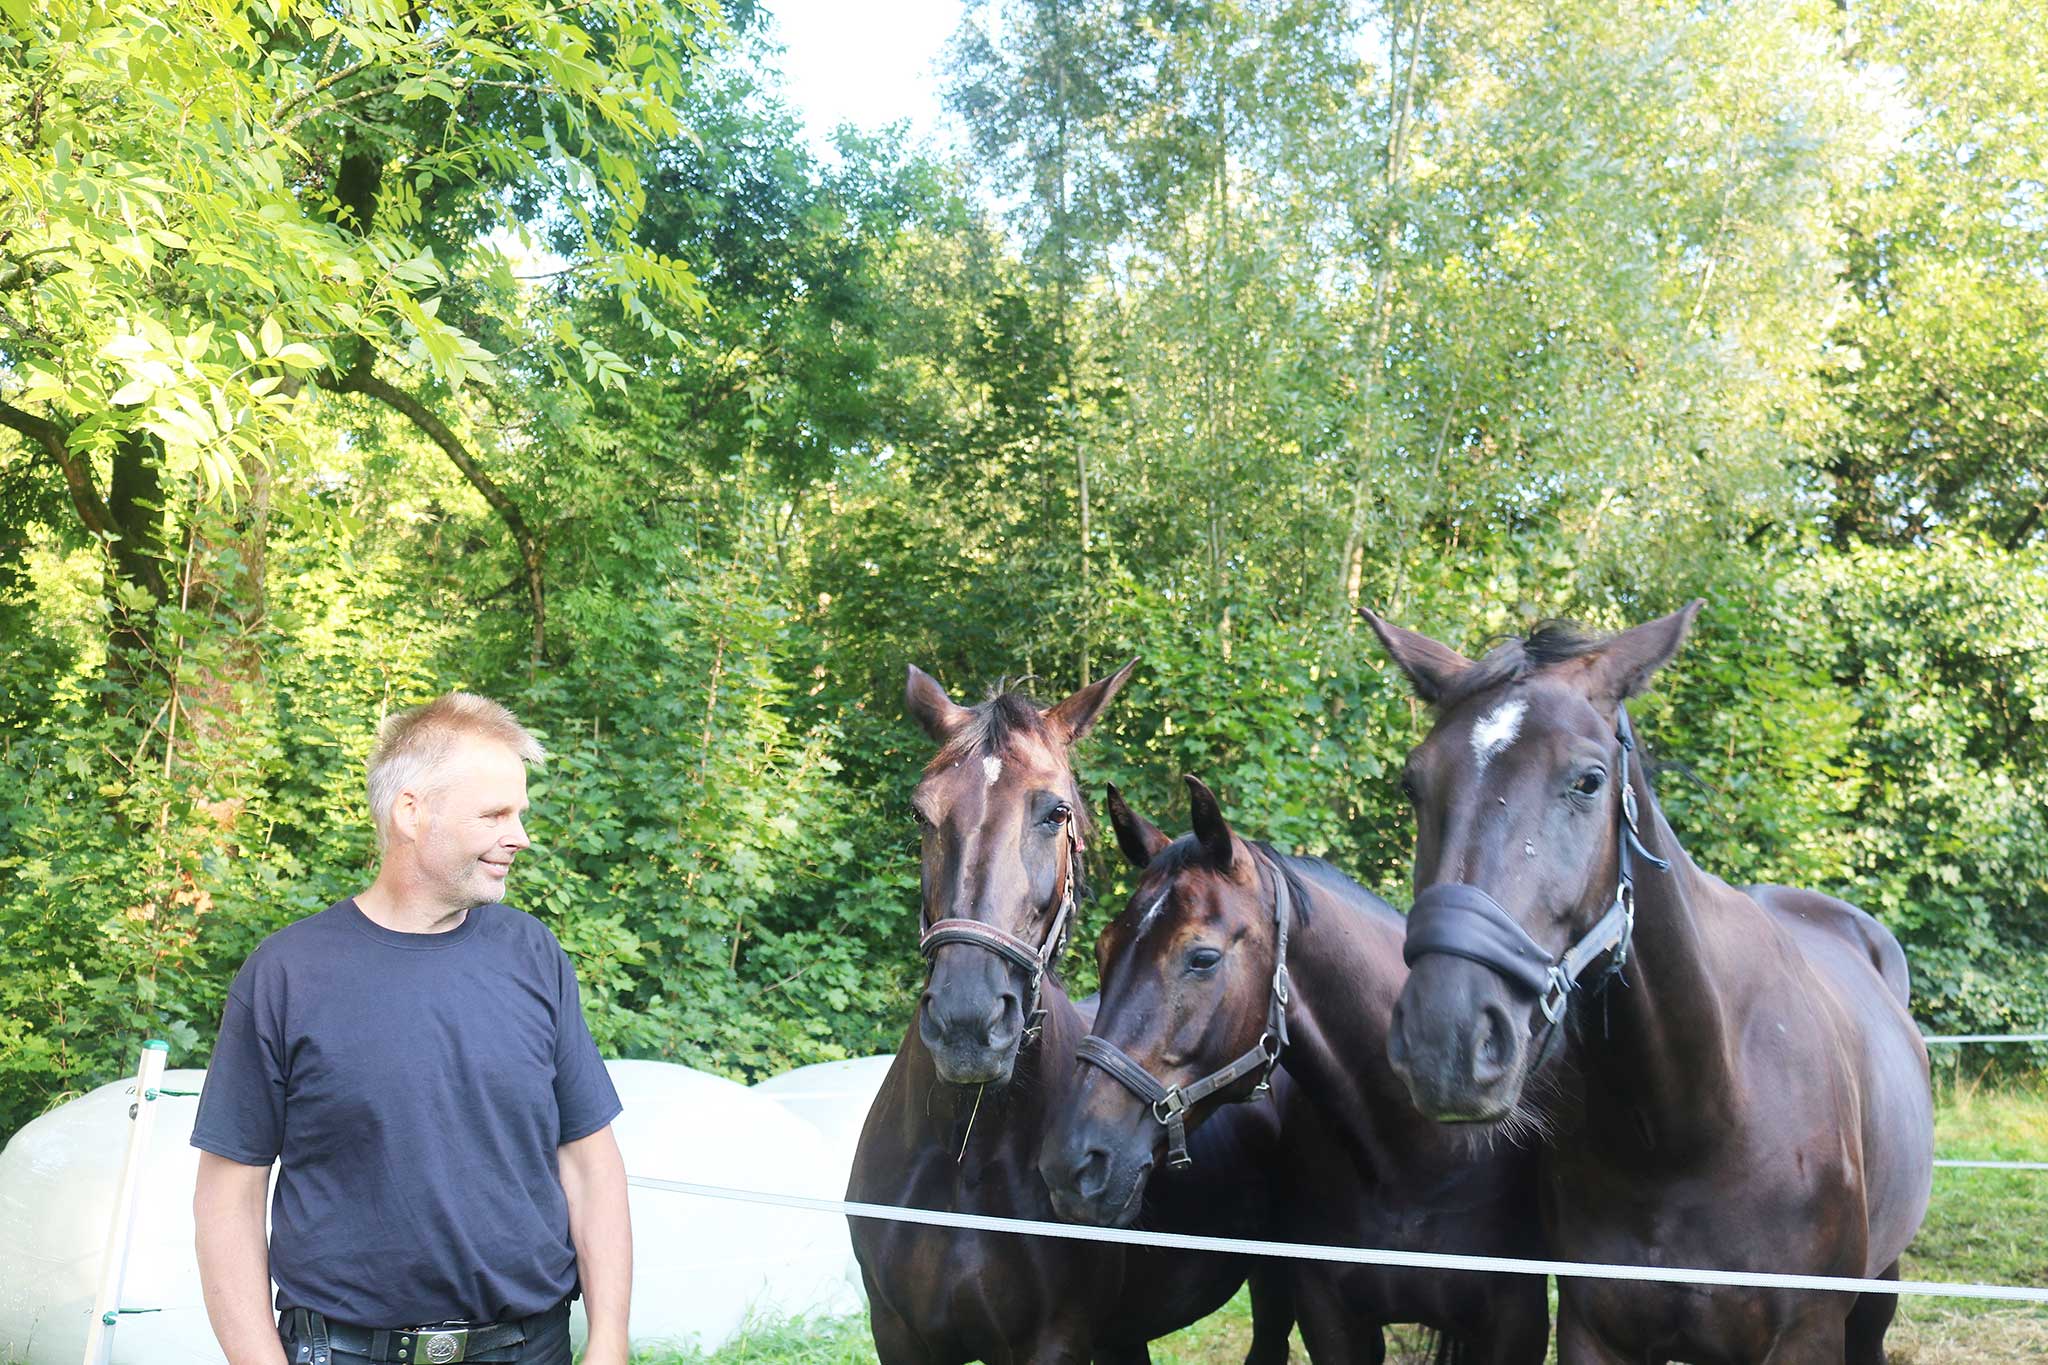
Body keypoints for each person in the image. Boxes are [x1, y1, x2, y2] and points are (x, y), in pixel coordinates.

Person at [191, 693, 631, 1365]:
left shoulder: (532, 953)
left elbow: (590, 1165)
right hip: (343, 1352)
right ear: (411, 811)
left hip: (527, 1346)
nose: (521, 835)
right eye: (495, 813)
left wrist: (609, 1339)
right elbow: (229, 1196)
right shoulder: (286, 974)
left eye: (520, 813)